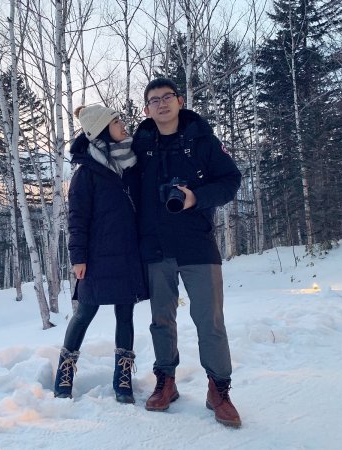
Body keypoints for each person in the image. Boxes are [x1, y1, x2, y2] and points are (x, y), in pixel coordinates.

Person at [132, 78, 242, 427]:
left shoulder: (202, 140)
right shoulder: (140, 145)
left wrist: (197, 198)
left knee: (210, 320)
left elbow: (231, 181)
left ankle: (219, 389)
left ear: (180, 101)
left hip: (198, 243)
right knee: (161, 319)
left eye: (167, 97)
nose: (161, 104)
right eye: (154, 100)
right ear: (147, 109)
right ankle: (166, 381)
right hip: (156, 246)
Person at [53, 104, 147, 404]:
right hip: (96, 257)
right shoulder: (86, 174)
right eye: (116, 121)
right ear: (103, 131)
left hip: (129, 254)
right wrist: (78, 257)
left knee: (126, 314)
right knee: (84, 313)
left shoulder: (132, 164)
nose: (123, 124)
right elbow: (77, 218)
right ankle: (64, 375)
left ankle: (123, 379)